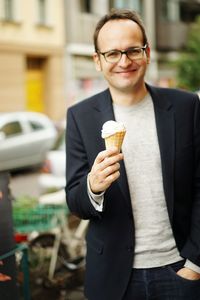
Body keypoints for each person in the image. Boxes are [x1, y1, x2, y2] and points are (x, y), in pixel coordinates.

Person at [65, 8, 200, 300]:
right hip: (114, 278)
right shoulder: (80, 116)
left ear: (147, 53)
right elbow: (75, 202)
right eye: (112, 53)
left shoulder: (186, 107)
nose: (124, 61)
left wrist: (195, 263)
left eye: (132, 51)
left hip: (180, 270)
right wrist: (93, 187)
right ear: (97, 61)